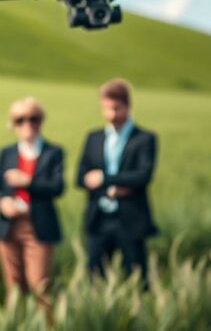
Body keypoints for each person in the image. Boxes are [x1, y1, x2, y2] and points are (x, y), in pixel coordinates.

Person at [76, 79, 158, 289]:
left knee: (137, 278)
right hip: (98, 218)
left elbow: (143, 176)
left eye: (116, 108)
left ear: (127, 105)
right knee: (94, 277)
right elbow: (80, 178)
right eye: (106, 109)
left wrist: (104, 179)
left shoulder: (144, 139)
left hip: (130, 220)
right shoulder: (93, 137)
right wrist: (118, 186)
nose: (111, 114)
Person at [0, 97, 65, 313]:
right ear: (13, 124)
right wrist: (2, 201)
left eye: (34, 119)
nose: (28, 125)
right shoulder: (7, 153)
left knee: (39, 285)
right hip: (9, 225)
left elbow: (57, 187)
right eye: (21, 120)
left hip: (37, 225)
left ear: (41, 122)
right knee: (13, 286)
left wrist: (28, 182)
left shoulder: (53, 152)